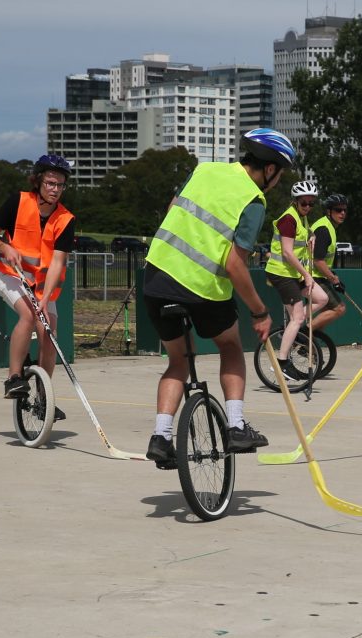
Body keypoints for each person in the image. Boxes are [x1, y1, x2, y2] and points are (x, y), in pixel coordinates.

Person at [142, 128, 295, 468]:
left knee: (178, 360)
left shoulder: (204, 169)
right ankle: (237, 426)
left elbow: (172, 209)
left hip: (156, 277)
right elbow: (234, 265)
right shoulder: (254, 201)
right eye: (279, 173)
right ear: (269, 170)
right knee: (230, 347)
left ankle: (161, 436)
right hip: (201, 287)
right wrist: (259, 312)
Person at [0, 154, 76, 422]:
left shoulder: (66, 219)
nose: (55, 189)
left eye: (60, 185)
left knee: (48, 329)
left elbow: (58, 262)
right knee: (28, 315)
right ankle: (13, 378)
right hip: (9, 274)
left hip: (41, 286)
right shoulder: (18, 201)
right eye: (50, 183)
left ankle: (43, 396)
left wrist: (45, 299)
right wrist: (5, 247)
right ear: (38, 182)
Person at [264, 180, 328, 380]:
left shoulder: (301, 218)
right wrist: (307, 275)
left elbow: (304, 233)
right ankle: (281, 363)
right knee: (298, 317)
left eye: (311, 203)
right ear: (295, 201)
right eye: (304, 203)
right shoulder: (288, 219)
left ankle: (293, 326)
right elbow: (287, 252)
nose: (308, 207)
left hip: (293, 273)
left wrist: (312, 236)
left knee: (322, 298)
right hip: (282, 273)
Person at [309, 193, 348, 332]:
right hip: (313, 276)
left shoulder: (328, 227)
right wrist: (334, 279)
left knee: (327, 309)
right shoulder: (324, 229)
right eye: (338, 210)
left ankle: (308, 345)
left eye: (344, 210)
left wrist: (330, 275)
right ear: (329, 211)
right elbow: (318, 261)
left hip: (319, 276)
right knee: (339, 308)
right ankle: (303, 333)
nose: (342, 213)